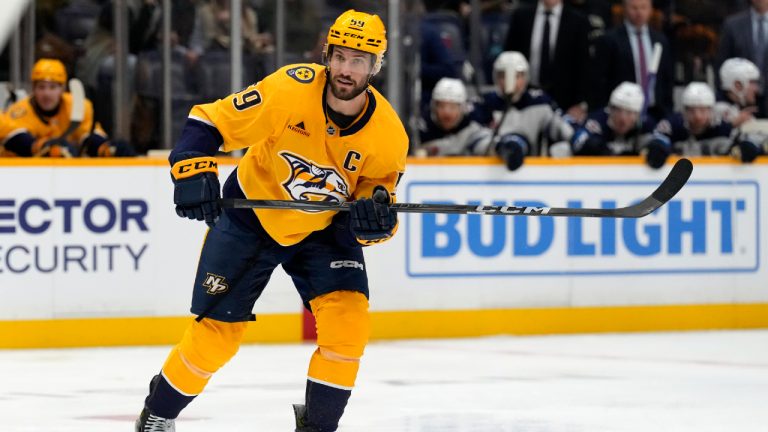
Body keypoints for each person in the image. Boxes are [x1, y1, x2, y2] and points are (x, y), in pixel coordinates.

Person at [134, 9, 408, 432]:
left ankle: (317, 427)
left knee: (349, 324)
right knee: (217, 336)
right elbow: (210, 120)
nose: (345, 69)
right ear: (327, 54)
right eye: (339, 56)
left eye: (358, 60)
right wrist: (191, 166)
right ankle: (158, 414)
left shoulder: (389, 134)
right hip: (253, 216)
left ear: (376, 65)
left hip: (325, 227)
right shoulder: (290, 89)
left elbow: (378, 202)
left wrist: (375, 218)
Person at [0, 58, 133, 157]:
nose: (47, 94)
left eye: (53, 87)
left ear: (63, 89)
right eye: (41, 87)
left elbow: (88, 137)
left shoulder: (77, 106)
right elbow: (17, 140)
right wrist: (43, 147)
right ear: (33, 89)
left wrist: (105, 149)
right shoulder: (19, 111)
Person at [473, 51, 573, 171]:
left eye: (517, 76)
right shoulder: (485, 103)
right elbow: (473, 138)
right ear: (495, 78)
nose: (510, 82)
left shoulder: (540, 102)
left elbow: (564, 128)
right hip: (492, 172)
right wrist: (499, 146)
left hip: (536, 173)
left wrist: (577, 137)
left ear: (526, 78)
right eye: (503, 76)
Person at [503, 0, 591, 123]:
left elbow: (584, 66)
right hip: (524, 97)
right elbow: (509, 56)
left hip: (564, 103)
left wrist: (580, 103)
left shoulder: (578, 21)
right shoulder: (522, 16)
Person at [590, 0, 674, 122]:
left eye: (643, 8)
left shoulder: (660, 40)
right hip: (621, 113)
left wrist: (667, 111)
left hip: (655, 112)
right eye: (634, 8)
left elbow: (667, 79)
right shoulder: (609, 40)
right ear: (624, 9)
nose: (639, 12)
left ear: (651, 10)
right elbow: (599, 80)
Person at [645, 82, 744, 168]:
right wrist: (657, 146)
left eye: (703, 110)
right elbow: (653, 142)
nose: (698, 116)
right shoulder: (671, 126)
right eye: (692, 111)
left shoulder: (722, 128)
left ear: (711, 110)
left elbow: (741, 145)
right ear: (684, 111)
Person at [571, 81, 656, 156]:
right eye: (618, 110)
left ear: (638, 114)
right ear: (610, 109)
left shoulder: (646, 124)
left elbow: (662, 140)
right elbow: (578, 141)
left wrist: (658, 146)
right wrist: (596, 147)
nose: (623, 118)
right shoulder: (597, 121)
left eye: (629, 112)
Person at [416, 77, 493, 156]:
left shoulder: (472, 122)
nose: (447, 112)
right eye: (441, 106)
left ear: (463, 108)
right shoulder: (423, 129)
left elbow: (485, 145)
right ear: (434, 107)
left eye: (452, 107)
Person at [716, 57, 768, 162]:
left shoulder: (744, 111)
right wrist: (731, 125)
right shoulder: (718, 111)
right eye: (752, 83)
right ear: (738, 85)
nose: (756, 89)